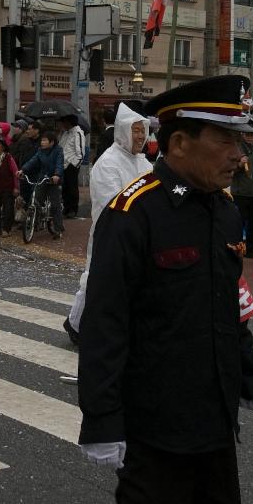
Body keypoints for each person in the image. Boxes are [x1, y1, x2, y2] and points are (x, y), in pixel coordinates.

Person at [47, 75, 253, 504]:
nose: (238, 156)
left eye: (241, 142)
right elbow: (105, 324)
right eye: (226, 141)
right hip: (156, 422)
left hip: (213, 416)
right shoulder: (134, 212)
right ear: (178, 143)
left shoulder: (221, 210)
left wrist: (250, 377)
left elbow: (229, 308)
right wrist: (101, 419)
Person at [64, 102, 151, 345]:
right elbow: (111, 203)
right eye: (135, 130)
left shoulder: (144, 163)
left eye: (143, 131)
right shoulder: (109, 162)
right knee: (97, 279)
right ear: (123, 130)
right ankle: (77, 326)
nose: (140, 136)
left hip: (137, 233)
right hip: (111, 231)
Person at [21, 131, 66, 239]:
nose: (42, 142)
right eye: (42, 140)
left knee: (55, 205)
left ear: (52, 142)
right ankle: (35, 222)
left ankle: (58, 229)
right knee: (35, 199)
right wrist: (22, 170)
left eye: (45, 140)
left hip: (53, 179)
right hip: (43, 177)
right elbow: (32, 161)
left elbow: (59, 164)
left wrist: (56, 175)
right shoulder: (40, 151)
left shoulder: (58, 150)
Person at [230, 120, 253, 259]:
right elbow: (230, 171)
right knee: (238, 223)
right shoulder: (236, 151)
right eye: (247, 134)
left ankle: (252, 250)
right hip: (240, 194)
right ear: (243, 135)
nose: (250, 136)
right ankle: (236, 248)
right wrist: (239, 165)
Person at [58, 114, 86, 219]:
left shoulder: (78, 133)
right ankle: (66, 208)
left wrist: (74, 165)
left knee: (72, 187)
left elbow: (81, 153)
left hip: (71, 165)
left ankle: (73, 209)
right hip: (63, 164)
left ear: (69, 122)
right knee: (65, 188)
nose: (62, 124)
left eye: (64, 122)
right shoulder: (65, 133)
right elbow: (61, 146)